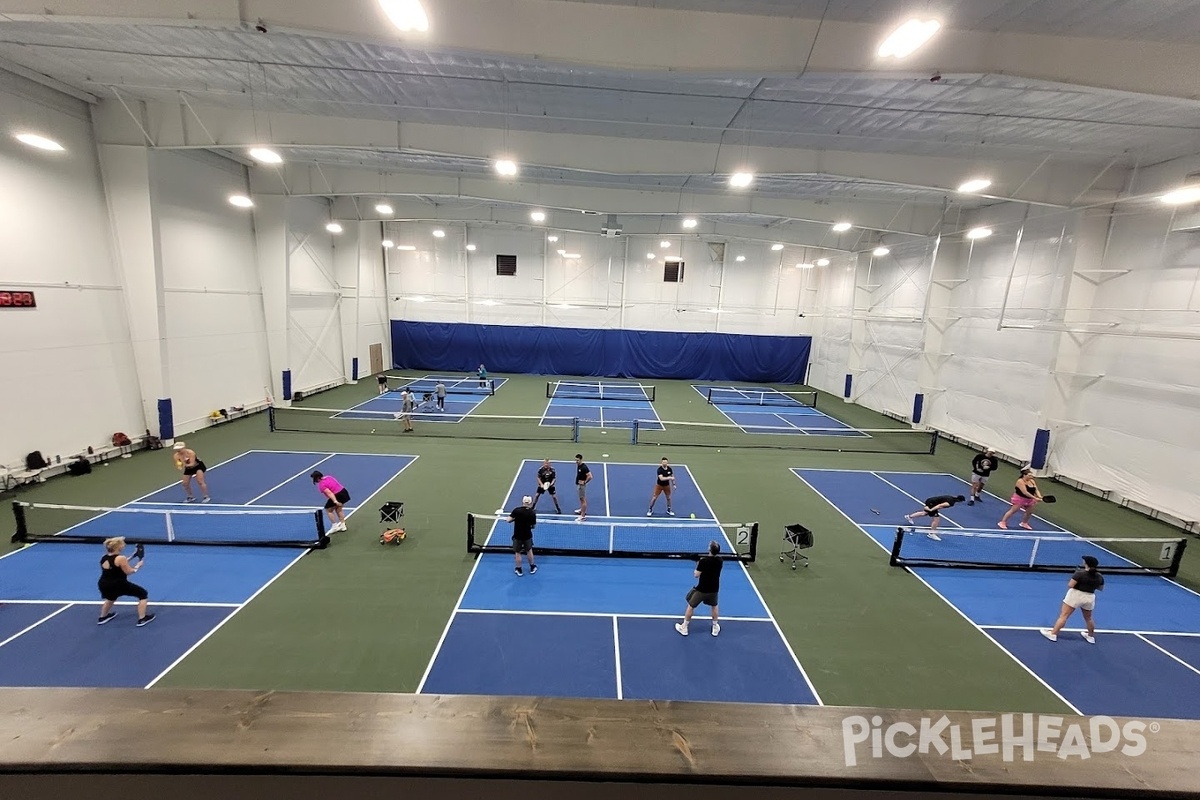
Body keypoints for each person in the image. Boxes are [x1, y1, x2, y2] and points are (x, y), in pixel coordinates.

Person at [1042, 555, 1104, 644]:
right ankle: (1090, 637)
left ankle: (1053, 634)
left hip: (1076, 595)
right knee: (1089, 618)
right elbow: (1100, 588)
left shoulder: (1079, 574)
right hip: (1090, 597)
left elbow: (1070, 585)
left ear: (1086, 563)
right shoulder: (1099, 576)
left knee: (1064, 616)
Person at [97, 537, 155, 627]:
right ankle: (142, 619)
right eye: (122, 544)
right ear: (118, 547)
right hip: (118, 584)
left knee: (110, 598)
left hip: (104, 584)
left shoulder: (104, 557)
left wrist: (133, 556)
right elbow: (129, 571)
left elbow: (117, 565)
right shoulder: (121, 558)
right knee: (143, 594)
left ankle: (102, 617)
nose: (124, 545)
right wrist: (138, 566)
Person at [675, 540, 723, 637]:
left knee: (691, 606)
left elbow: (696, 575)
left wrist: (698, 562)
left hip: (702, 589)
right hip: (714, 590)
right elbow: (710, 566)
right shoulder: (720, 560)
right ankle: (715, 627)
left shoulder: (703, 561)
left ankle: (684, 627)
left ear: (709, 549)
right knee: (714, 606)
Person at [507, 495, 538, 576]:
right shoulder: (532, 513)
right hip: (527, 535)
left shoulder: (516, 511)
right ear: (530, 503)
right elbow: (533, 526)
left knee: (518, 552)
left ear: (523, 502)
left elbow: (508, 520)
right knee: (529, 550)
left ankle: (519, 569)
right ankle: (532, 567)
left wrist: (515, 519)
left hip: (517, 535)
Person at [573, 453, 592, 522]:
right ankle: (581, 510)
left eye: (577, 460)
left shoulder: (584, 467)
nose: (576, 462)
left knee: (582, 500)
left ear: (581, 460)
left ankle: (582, 516)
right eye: (576, 460)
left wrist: (584, 482)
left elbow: (590, 476)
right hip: (579, 485)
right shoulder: (579, 465)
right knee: (581, 499)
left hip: (582, 486)